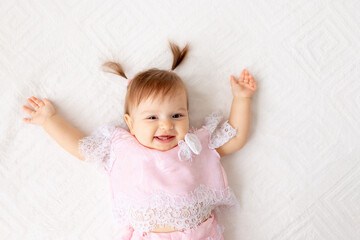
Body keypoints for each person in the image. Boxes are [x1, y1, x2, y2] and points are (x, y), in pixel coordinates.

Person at [21, 41, 258, 239]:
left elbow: (235, 138)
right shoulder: (120, 147)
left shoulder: (196, 144)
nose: (166, 125)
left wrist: (241, 99)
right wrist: (49, 120)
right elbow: (81, 147)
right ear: (131, 123)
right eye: (152, 117)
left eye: (177, 115)